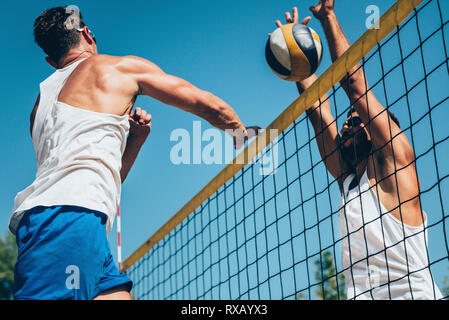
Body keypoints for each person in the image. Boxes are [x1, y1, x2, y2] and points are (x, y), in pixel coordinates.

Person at [10, 6, 255, 300]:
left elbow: (97, 176)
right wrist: (243, 133)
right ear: (86, 33)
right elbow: (207, 105)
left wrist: (134, 141)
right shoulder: (118, 68)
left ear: (51, 61)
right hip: (65, 223)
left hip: (76, 224)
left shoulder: (39, 107)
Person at [274, 1, 442, 299]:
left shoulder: (397, 162)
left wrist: (328, 17)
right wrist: (297, 55)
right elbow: (317, 112)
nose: (346, 125)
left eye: (356, 120)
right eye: (347, 121)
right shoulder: (349, 181)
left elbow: (355, 86)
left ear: (379, 135)